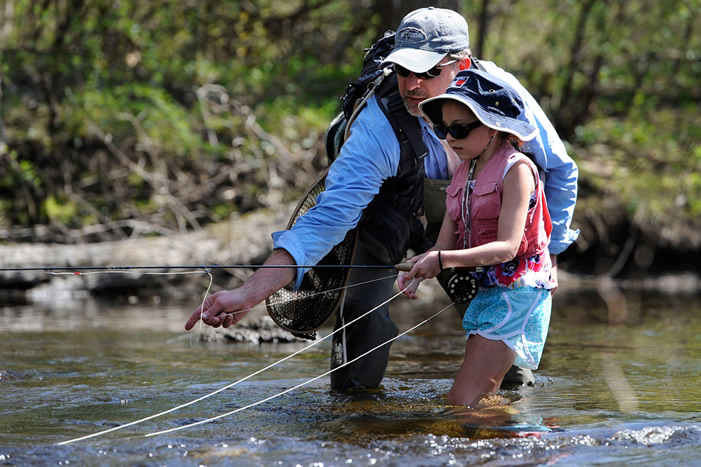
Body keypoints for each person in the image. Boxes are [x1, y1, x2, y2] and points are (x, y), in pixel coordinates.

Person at [185, 7, 578, 392]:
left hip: (470, 227)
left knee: (507, 368)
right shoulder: (379, 126)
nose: (412, 85)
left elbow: (559, 169)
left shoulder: (503, 99)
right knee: (362, 327)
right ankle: (354, 426)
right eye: (404, 71)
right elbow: (325, 222)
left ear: (464, 65)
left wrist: (552, 254)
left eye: (428, 72)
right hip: (384, 218)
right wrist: (248, 294)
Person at [399, 69, 554, 406]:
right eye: (443, 128)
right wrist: (415, 268)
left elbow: (508, 247)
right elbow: (442, 245)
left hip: (517, 295)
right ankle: (518, 450)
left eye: (459, 128)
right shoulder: (464, 169)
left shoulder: (517, 171)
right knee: (481, 401)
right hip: (487, 293)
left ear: (494, 126)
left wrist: (441, 261)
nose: (450, 137)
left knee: (463, 402)